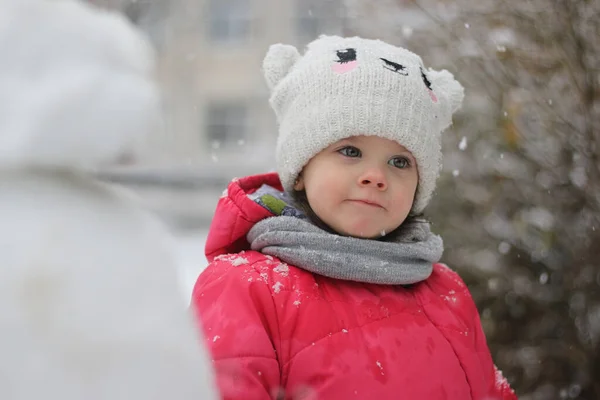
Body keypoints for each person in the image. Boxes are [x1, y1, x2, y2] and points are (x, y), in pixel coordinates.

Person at [192, 35, 517, 400]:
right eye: (350, 150)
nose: (376, 176)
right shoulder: (247, 288)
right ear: (300, 170)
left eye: (400, 162)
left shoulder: (446, 291)